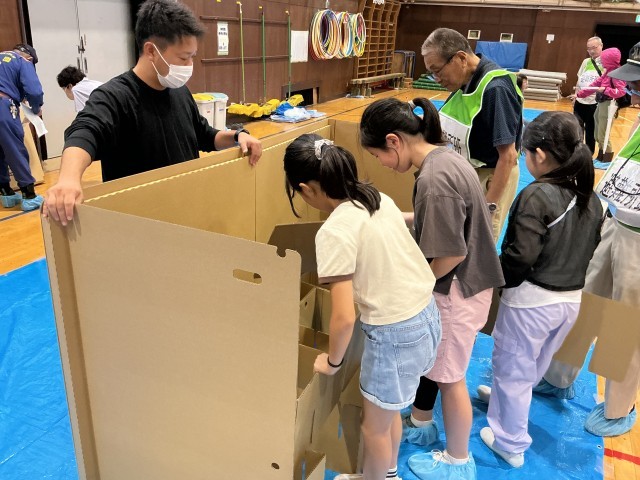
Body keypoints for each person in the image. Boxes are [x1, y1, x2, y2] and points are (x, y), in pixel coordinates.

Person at [359, 97, 504, 480]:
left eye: (378, 155)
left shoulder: (433, 180)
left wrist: (415, 286)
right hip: (471, 283)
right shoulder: (446, 158)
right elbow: (443, 217)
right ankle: (425, 425)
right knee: (441, 368)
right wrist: (396, 216)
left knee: (450, 378)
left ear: (394, 141)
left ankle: (457, 459)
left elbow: (452, 253)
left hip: (458, 289)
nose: (381, 163)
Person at [283, 133, 441, 480]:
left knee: (373, 428)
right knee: (388, 411)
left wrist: (332, 362)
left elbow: (343, 317)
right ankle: (388, 473)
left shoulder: (334, 231)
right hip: (426, 315)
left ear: (305, 189)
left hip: (395, 334)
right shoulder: (375, 197)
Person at [43, 0, 262, 226]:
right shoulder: (114, 96)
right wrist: (68, 179)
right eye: (183, 57)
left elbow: (203, 135)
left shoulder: (179, 91)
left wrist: (237, 136)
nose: (189, 65)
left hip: (185, 213)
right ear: (151, 51)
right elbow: (83, 132)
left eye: (192, 56)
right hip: (141, 224)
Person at [475, 111, 603, 468]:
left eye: (525, 153)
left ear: (540, 155)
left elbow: (521, 256)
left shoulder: (537, 195)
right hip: (569, 301)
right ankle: (506, 400)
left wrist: (492, 279)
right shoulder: (590, 197)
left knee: (513, 367)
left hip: (532, 302)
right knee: (530, 365)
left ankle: (510, 442)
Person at [538, 41, 640, 438]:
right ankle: (558, 376)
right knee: (585, 305)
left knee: (622, 323)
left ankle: (617, 408)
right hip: (617, 224)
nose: (634, 90)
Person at [421, 28, 523, 242]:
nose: (436, 79)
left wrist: (488, 206)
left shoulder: (495, 89)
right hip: (471, 169)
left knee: (478, 240)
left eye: (437, 71)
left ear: (461, 58)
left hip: (494, 174)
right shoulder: (464, 81)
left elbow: (508, 156)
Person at [0, 43, 45, 211]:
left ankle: (6, 193)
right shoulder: (22, 61)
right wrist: (36, 108)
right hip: (2, 106)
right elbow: (34, 90)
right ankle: (29, 195)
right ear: (30, 58)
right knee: (14, 149)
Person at [576, 47, 625, 163]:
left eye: (603, 60)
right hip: (601, 103)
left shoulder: (617, 74)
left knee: (603, 133)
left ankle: (606, 159)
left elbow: (621, 91)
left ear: (609, 60)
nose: (601, 62)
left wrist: (605, 90)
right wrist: (579, 94)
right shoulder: (607, 72)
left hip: (609, 104)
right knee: (597, 134)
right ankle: (600, 156)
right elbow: (595, 85)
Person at [573, 37, 603, 155]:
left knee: (591, 130)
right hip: (580, 101)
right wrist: (576, 95)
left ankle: (589, 154)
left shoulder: (606, 62)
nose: (591, 51)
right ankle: (577, 153)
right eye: (588, 48)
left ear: (601, 46)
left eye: (594, 48)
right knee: (577, 128)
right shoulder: (586, 61)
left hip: (594, 102)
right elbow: (579, 79)